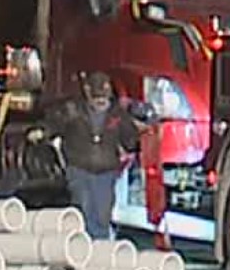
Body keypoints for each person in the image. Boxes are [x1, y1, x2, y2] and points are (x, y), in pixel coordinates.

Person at [42, 71, 153, 240]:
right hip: (79, 168)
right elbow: (53, 124)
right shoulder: (73, 111)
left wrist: (142, 137)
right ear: (88, 94)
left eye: (104, 99)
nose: (101, 103)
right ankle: (81, 245)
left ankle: (100, 248)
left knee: (102, 213)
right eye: (97, 99)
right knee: (82, 209)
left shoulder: (117, 115)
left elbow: (129, 140)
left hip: (106, 172)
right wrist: (41, 132)